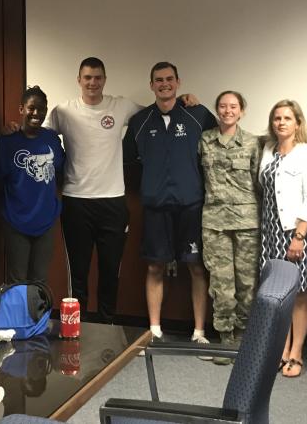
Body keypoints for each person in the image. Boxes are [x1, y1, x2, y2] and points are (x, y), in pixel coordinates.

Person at [45, 57, 200, 323]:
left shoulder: (122, 106)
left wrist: (183, 98)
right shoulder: (63, 111)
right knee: (78, 273)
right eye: (87, 78)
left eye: (98, 77)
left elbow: (159, 109)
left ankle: (106, 327)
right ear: (79, 80)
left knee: (110, 271)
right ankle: (76, 331)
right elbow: (39, 135)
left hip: (113, 202)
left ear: (104, 79)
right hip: (76, 201)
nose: (93, 82)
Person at [123, 62, 217, 347]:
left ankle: (199, 332)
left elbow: (218, 147)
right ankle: (155, 330)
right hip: (155, 207)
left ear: (178, 82)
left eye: (169, 79)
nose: (164, 84)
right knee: (154, 268)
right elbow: (128, 162)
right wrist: (150, 186)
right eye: (158, 80)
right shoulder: (140, 122)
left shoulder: (198, 115)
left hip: (191, 205)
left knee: (197, 267)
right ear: (151, 85)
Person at [258, 100, 307, 377]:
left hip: (295, 231)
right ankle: (280, 349)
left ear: (297, 123)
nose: (281, 122)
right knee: (276, 294)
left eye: (287, 118)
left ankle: (296, 353)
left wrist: (299, 236)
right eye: (276, 118)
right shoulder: (268, 150)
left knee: (299, 292)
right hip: (270, 231)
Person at [199, 91, 261, 365]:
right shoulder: (205, 140)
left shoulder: (252, 143)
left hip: (247, 223)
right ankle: (226, 340)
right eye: (222, 106)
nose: (227, 111)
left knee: (247, 284)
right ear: (217, 110)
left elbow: (261, 182)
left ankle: (245, 337)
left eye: (233, 106)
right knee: (221, 283)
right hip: (215, 224)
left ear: (242, 111)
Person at [0, 86, 64, 283]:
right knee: (17, 281)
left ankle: (37, 316)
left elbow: (60, 169)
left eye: (42, 108)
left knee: (40, 280)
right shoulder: (6, 141)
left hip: (46, 220)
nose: (36, 113)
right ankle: (16, 316)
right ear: (21, 109)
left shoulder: (52, 140)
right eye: (31, 108)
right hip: (16, 221)